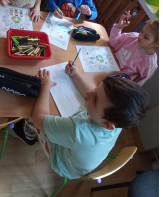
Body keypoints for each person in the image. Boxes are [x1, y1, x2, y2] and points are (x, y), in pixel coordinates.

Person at [11, 68, 149, 180]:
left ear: (107, 124)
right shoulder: (120, 120)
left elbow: (39, 119)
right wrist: (76, 75)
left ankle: (29, 135)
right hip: (79, 159)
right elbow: (96, 95)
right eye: (98, 87)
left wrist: (45, 86)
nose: (89, 92)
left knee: (30, 116)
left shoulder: (76, 129)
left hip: (61, 162)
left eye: (95, 100)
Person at [109, 13, 159, 85]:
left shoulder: (150, 64)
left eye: (146, 37)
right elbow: (113, 42)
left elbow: (136, 85)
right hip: (105, 62)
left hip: (114, 82)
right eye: (142, 31)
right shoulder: (132, 37)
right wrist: (119, 27)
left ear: (157, 43)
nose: (140, 36)